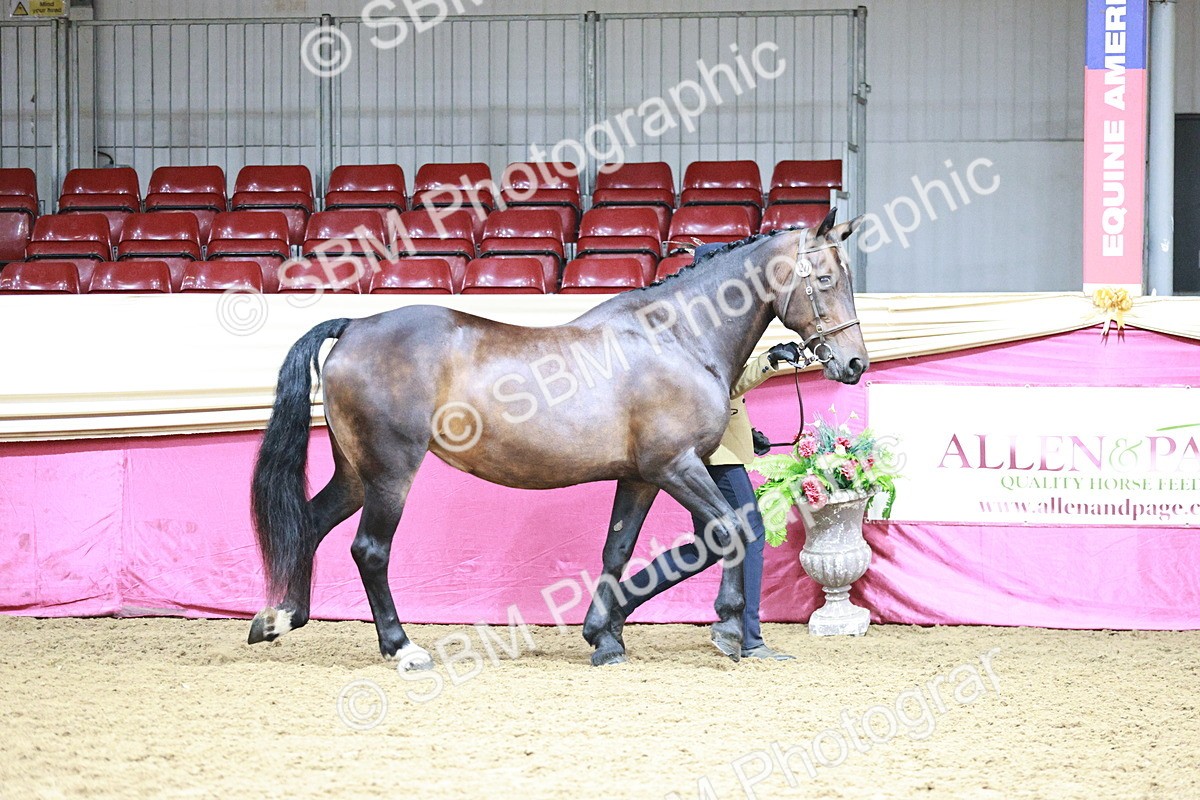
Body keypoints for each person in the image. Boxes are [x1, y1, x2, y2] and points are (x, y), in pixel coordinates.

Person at [615, 244, 804, 659]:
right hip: (714, 454)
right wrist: (770, 362)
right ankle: (746, 636)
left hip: (723, 444)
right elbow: (717, 389)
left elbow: (720, 396)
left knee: (707, 546)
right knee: (748, 534)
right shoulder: (703, 323)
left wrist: (746, 432)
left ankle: (622, 599)